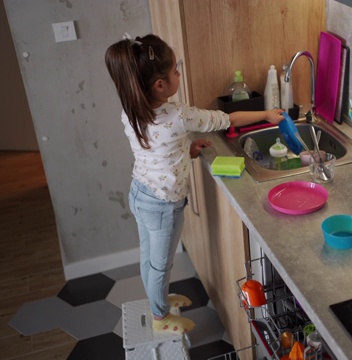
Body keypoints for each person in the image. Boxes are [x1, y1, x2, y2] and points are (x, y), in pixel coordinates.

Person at [105, 34, 284, 335]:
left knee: (148, 258)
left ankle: (155, 299)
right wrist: (267, 113)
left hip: (139, 193)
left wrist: (184, 151)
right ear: (159, 85)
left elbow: (154, 149)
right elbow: (227, 118)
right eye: (176, 70)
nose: (179, 74)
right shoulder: (178, 115)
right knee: (161, 266)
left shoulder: (131, 111)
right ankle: (161, 317)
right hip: (163, 206)